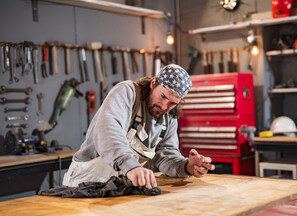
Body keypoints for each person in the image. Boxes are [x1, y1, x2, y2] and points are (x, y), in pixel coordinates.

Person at [63, 64, 215, 189]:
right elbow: (108, 130)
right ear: (153, 83)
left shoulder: (169, 117)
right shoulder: (127, 92)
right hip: (83, 184)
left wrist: (186, 166)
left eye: (172, 103)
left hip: (117, 188)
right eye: (163, 96)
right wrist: (130, 166)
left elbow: (166, 157)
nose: (164, 106)